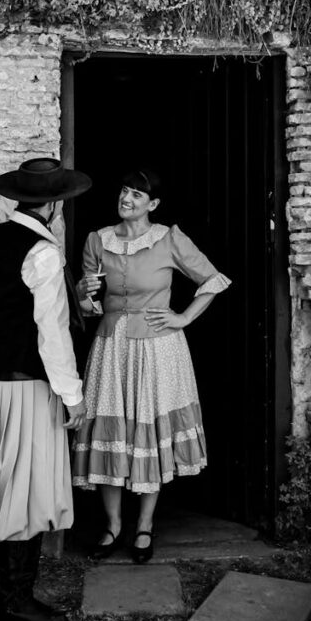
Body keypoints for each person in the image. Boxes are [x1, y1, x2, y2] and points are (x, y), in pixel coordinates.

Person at [71, 168, 231, 564]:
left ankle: (144, 525)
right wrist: (82, 294)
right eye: (124, 191)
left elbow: (213, 280)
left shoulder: (169, 239)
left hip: (158, 349)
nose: (126, 198)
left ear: (152, 204)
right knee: (113, 430)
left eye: (137, 195)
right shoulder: (98, 240)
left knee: (146, 433)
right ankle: (112, 525)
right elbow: (88, 311)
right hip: (111, 348)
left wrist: (184, 318)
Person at [0, 157, 91, 621]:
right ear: (54, 204)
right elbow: (50, 332)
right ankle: (13, 601)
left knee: (1, 471)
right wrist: (72, 395)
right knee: (27, 486)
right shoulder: (43, 251)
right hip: (25, 381)